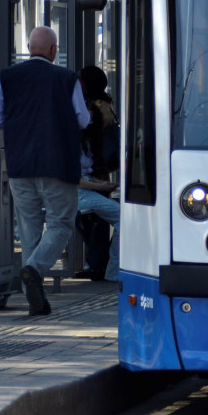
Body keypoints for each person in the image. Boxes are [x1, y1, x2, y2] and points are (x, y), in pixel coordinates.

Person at [0, 26, 90, 316]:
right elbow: (82, 119)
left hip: (20, 167)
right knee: (60, 224)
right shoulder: (67, 78)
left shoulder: (8, 77)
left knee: (30, 228)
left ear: (29, 47)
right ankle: (34, 270)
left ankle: (35, 295)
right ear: (54, 51)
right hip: (58, 165)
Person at [75, 65, 120, 283]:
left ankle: (97, 265)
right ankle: (97, 264)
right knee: (96, 219)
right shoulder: (106, 104)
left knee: (94, 220)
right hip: (98, 172)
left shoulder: (92, 109)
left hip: (94, 171)